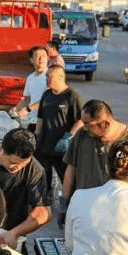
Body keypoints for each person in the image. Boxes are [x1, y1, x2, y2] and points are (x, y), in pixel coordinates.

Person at [61, 100, 128, 222]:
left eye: (87, 124)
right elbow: (71, 169)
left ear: (104, 124)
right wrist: (64, 202)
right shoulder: (81, 136)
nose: (83, 128)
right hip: (84, 209)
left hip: (115, 213)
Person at [34, 65, 83, 198]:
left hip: (62, 148)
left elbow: (80, 120)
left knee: (66, 178)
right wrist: (35, 137)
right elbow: (40, 118)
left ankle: (69, 203)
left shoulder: (71, 96)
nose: (46, 79)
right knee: (42, 177)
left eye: (49, 76)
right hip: (44, 146)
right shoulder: (46, 95)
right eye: (46, 76)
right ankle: (44, 201)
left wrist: (68, 137)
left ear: (60, 77)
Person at [11, 45, 49, 131]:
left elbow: (48, 99)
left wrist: (27, 109)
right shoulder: (30, 78)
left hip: (46, 121)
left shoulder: (50, 76)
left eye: (43, 55)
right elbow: (27, 99)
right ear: (31, 60)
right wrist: (16, 109)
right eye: (37, 56)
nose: (41, 58)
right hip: (32, 120)